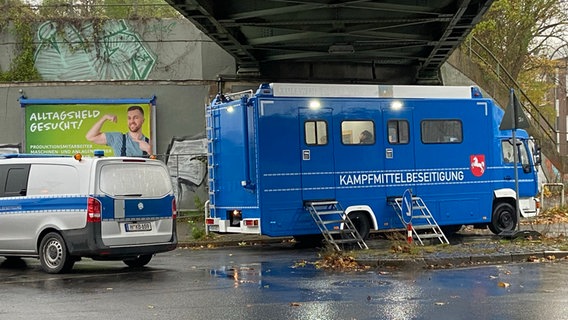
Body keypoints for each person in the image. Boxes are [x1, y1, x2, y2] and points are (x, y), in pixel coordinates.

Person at [86, 105, 152, 157]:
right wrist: (104, 118)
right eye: (129, 118)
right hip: (120, 174)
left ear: (143, 120)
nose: (132, 121)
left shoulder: (150, 143)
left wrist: (149, 151)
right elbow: (90, 137)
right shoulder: (118, 138)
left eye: (136, 118)